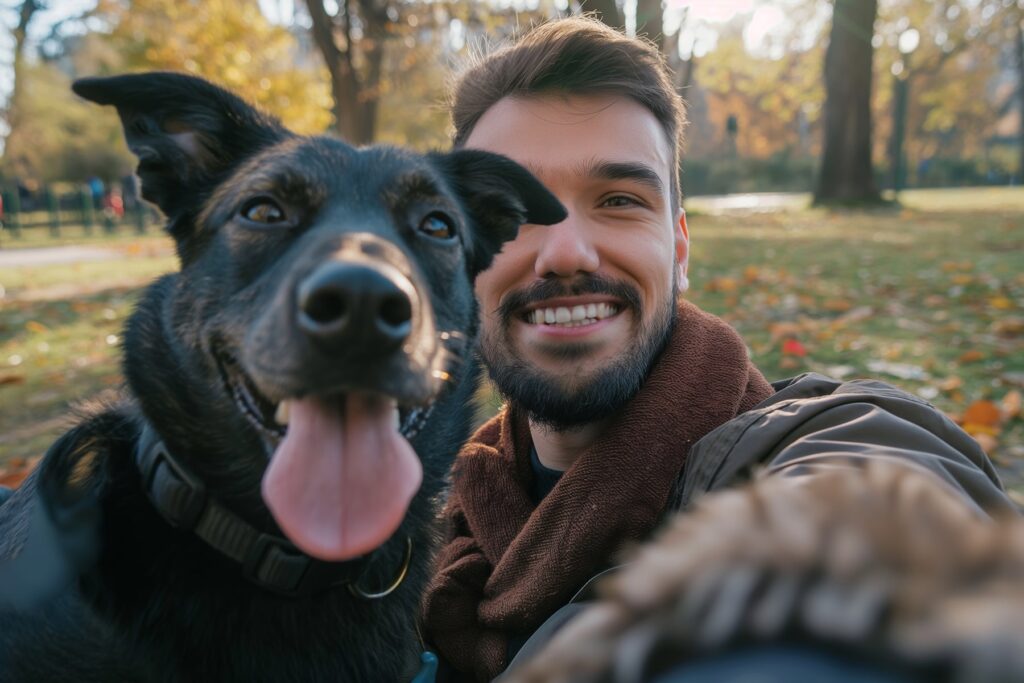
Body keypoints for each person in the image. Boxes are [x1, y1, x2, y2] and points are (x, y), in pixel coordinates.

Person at [419, 17, 1013, 682]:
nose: (565, 251)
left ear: (678, 249)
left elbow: (890, 543)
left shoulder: (838, 442)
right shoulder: (427, 526)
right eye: (512, 210)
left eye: (617, 200)